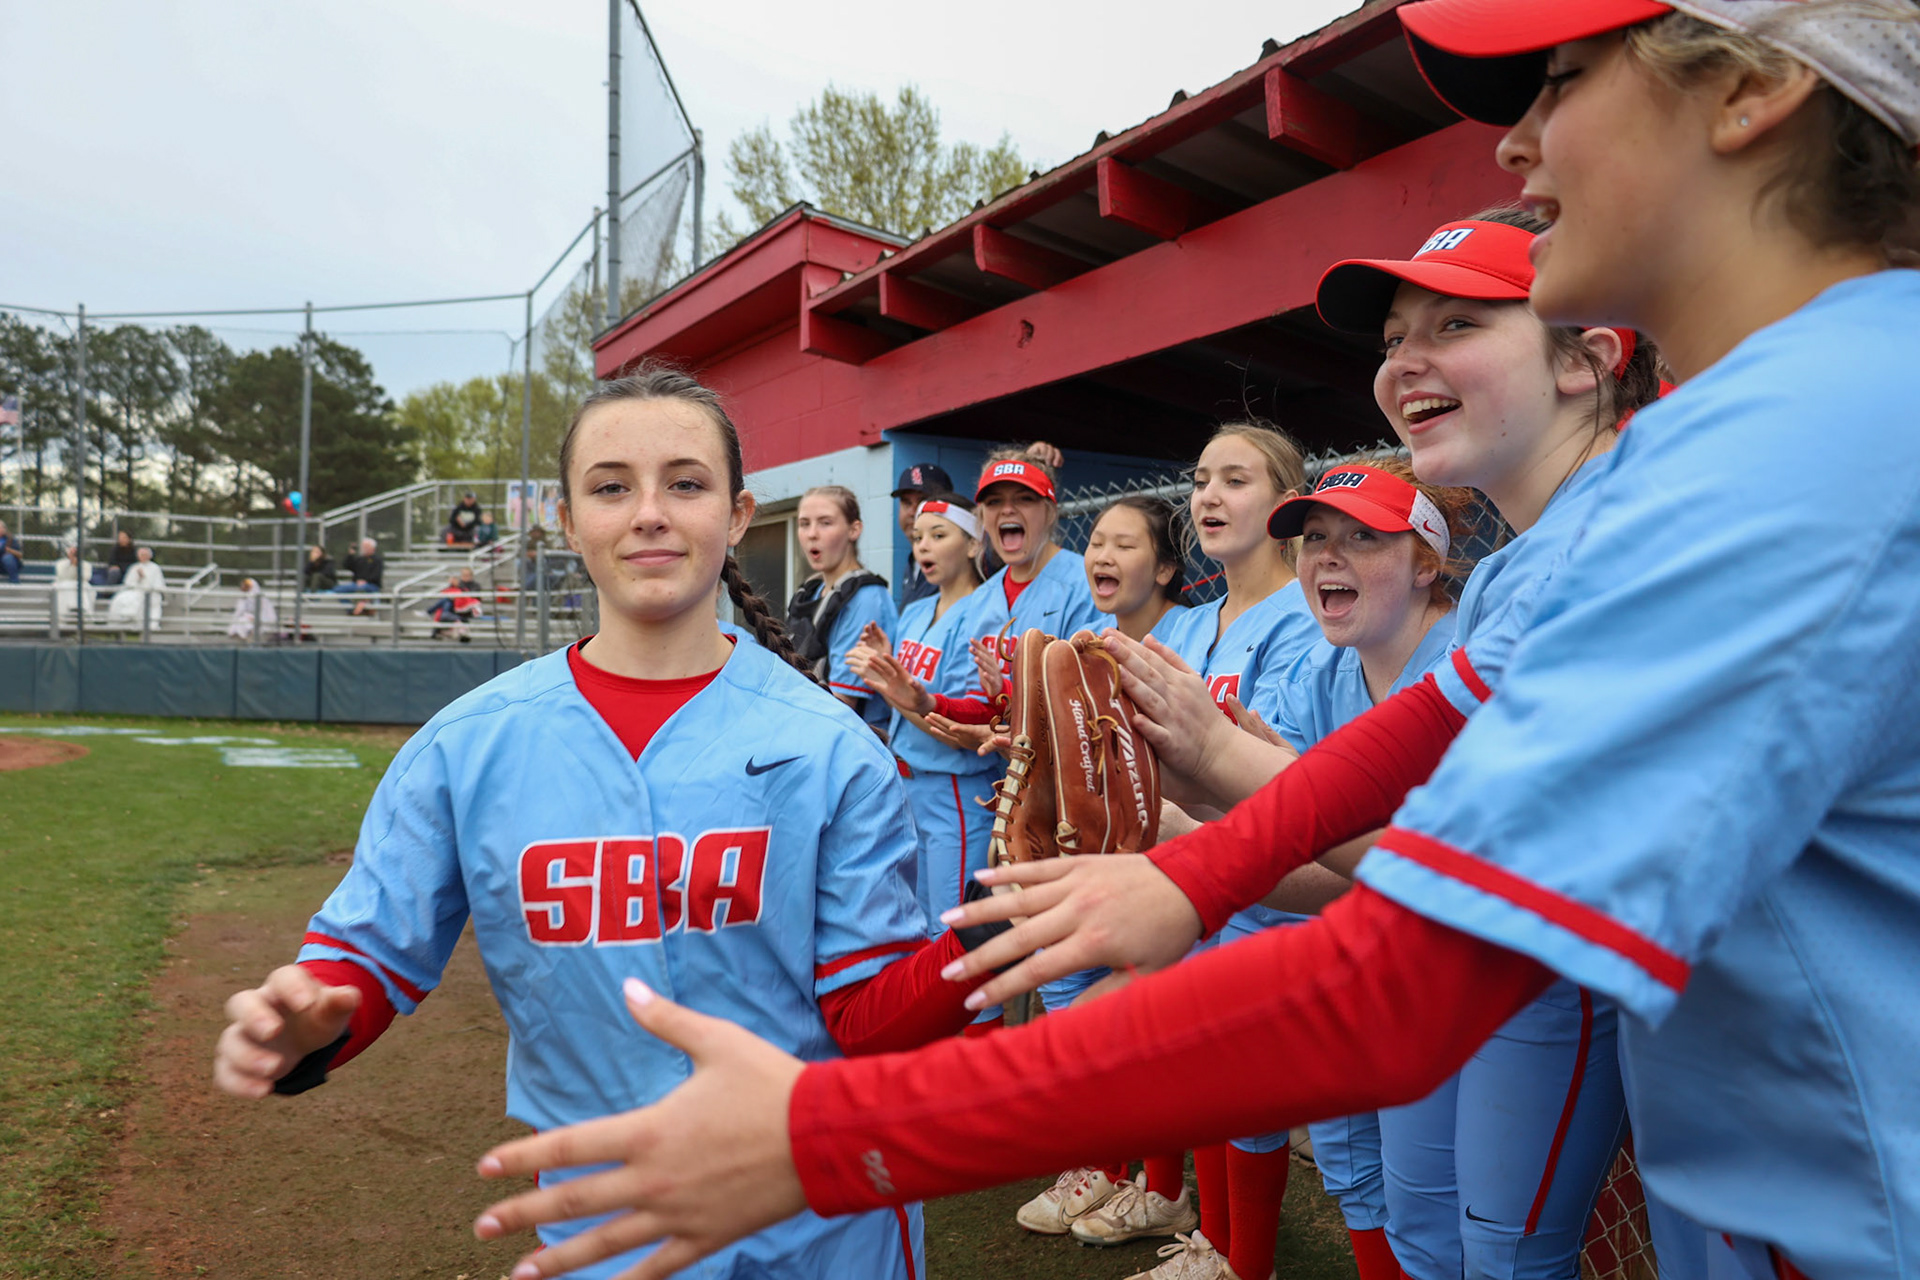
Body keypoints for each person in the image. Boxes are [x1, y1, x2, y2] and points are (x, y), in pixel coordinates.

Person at [470, 9, 1920, 1280]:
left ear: (1751, 97)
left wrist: (830, 1129)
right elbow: (1426, 728)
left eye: (1560, 78)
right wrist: (1181, 878)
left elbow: (1394, 988)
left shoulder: (1809, 440)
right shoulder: (1741, 431)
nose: (1517, 144)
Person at [214, 366, 1010, 1280]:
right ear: (567, 520)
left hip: (823, 1222)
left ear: (739, 514)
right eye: (610, 487)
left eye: (685, 482)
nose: (649, 513)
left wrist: (998, 926)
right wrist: (309, 1018)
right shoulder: (469, 745)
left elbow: (865, 1012)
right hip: (609, 1235)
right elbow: (370, 955)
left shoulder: (829, 745)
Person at [1097, 423, 1320, 1280]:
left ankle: (1242, 1259)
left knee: (1252, 1090)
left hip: (1277, 893)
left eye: (1237, 479)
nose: (1211, 496)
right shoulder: (1187, 628)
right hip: (1190, 885)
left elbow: (1284, 785)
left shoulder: (1305, 620)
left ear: (1282, 503)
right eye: (1201, 479)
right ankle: (1216, 1246)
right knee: (1206, 1074)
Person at [1257, 459, 1470, 1280]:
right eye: (1314, 539)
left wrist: (1225, 815)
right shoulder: (1322, 671)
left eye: (1361, 538)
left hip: (1472, 983)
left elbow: (1396, 864)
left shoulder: (1468, 658)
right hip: (1355, 963)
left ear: (1426, 563)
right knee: (1357, 1172)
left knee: (1460, 1213)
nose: (1327, 556)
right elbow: (1284, 827)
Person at [843, 494, 1000, 942]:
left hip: (956, 790)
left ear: (973, 545)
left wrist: (890, 687)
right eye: (916, 538)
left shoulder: (983, 612)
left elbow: (958, 731)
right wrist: (887, 665)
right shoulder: (913, 610)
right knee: (915, 922)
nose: (923, 547)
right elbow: (910, 691)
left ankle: (972, 1016)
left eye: (938, 535)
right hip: (909, 782)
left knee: (952, 932)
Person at [784, 486, 898, 738]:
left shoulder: (865, 599)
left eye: (825, 523)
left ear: (854, 530)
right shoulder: (811, 593)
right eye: (804, 524)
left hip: (854, 744)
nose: (812, 534)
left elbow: (842, 705)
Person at [1082, 496, 1186, 644]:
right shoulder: (1087, 638)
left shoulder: (1195, 638)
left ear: (1165, 569)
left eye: (1124, 546)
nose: (1102, 558)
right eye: (1097, 543)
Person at [888, 463, 955, 607]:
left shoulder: (956, 562)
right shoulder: (912, 562)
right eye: (906, 503)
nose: (912, 512)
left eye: (922, 501)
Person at [106, 546, 166, 632]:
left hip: (149, 593)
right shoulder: (134, 567)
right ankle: (121, 622)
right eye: (141, 554)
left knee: (136, 600)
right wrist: (137, 579)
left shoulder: (155, 568)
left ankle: (135, 622)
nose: (142, 556)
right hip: (134, 590)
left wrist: (143, 577)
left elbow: (157, 585)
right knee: (120, 598)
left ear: (149, 556)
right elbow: (128, 583)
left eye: (144, 554)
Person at [426, 570, 482, 642]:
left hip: (468, 608)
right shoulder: (458, 585)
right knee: (446, 603)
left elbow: (471, 597)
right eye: (464, 575)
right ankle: (454, 627)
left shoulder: (473, 585)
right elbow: (451, 592)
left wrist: (458, 591)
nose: (465, 577)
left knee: (445, 606)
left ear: (471, 576)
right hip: (455, 608)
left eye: (467, 575)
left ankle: (431, 616)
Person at [330, 538, 382, 616]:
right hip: (356, 584)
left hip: (371, 585)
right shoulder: (359, 559)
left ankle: (362, 608)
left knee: (363, 588)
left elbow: (376, 575)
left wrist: (365, 581)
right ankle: (352, 609)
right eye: (363, 546)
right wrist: (350, 555)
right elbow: (347, 566)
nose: (364, 548)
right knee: (338, 590)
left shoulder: (377, 560)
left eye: (366, 546)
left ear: (372, 548)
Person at [52, 545, 94, 626]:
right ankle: (62, 618)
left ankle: (86, 616)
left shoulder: (86, 565)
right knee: (62, 589)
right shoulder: (60, 564)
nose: (73, 554)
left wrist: (77, 566)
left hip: (81, 585)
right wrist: (71, 565)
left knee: (87, 590)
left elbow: (86, 577)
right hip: (64, 585)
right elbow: (63, 576)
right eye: (71, 552)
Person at [0, 520, 23, 584]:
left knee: (7, 558)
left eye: (1, 528)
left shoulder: (10, 539)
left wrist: (9, 550)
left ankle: (14, 582)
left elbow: (20, 555)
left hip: (5, 565)